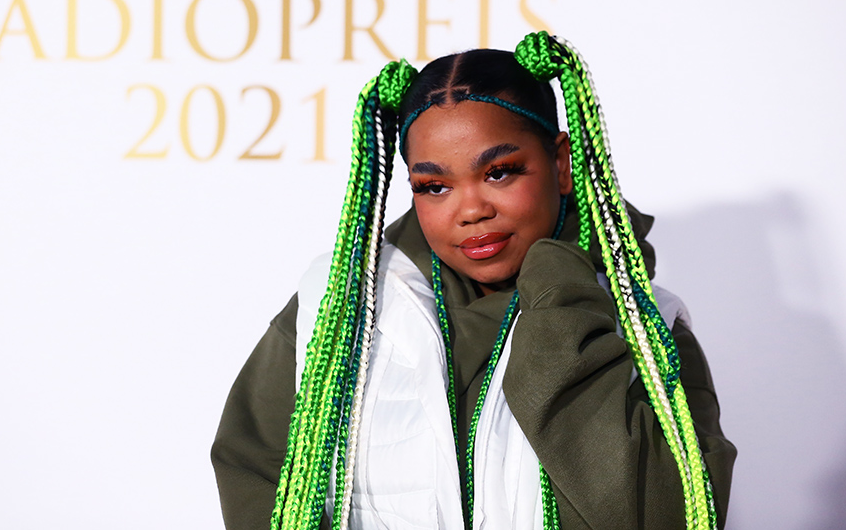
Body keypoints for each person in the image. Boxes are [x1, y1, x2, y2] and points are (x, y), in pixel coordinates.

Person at [212, 32, 736, 530]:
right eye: (435, 185)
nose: (470, 210)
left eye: (499, 172)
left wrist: (561, 290)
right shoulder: (336, 310)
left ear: (560, 163)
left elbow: (662, 515)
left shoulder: (651, 332)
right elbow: (255, 473)